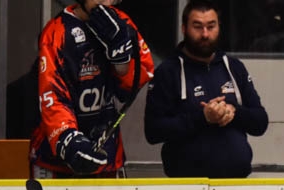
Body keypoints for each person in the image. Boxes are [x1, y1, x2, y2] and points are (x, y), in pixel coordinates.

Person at [144, 0, 269, 178]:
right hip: (187, 183)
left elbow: (260, 122)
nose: (205, 34)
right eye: (197, 27)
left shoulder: (234, 67)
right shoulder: (168, 71)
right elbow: (153, 131)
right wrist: (203, 117)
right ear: (184, 28)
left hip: (235, 182)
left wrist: (234, 111)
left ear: (219, 27)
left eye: (211, 26)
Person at [30, 0, 154, 178]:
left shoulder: (122, 23)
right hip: (55, 160)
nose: (105, 1)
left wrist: (122, 60)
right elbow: (53, 95)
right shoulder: (57, 32)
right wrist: (68, 138)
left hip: (107, 155)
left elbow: (135, 82)